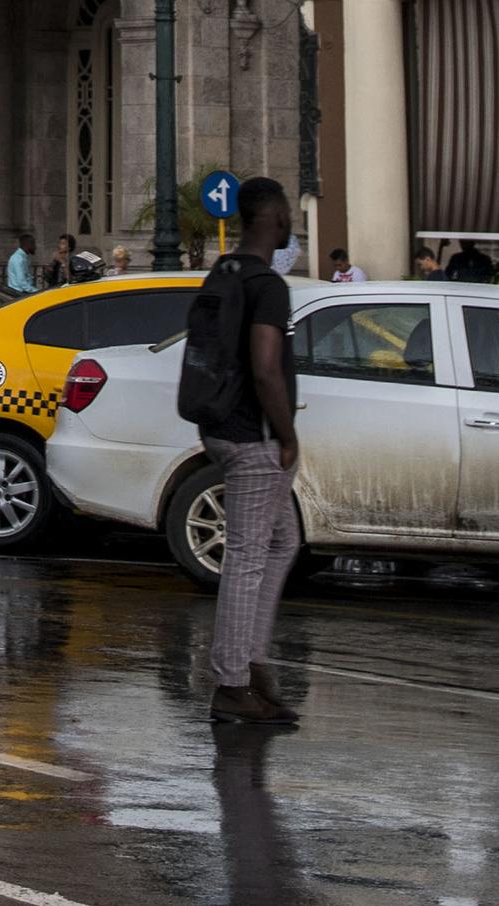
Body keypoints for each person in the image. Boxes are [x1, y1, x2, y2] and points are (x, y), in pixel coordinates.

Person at [190, 175, 301, 726]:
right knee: (248, 558)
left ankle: (253, 669)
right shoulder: (268, 285)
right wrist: (287, 436)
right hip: (253, 436)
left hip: (218, 425)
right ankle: (232, 683)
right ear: (274, 219)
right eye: (286, 215)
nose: (289, 224)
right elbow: (265, 368)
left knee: (282, 539)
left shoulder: (223, 271)